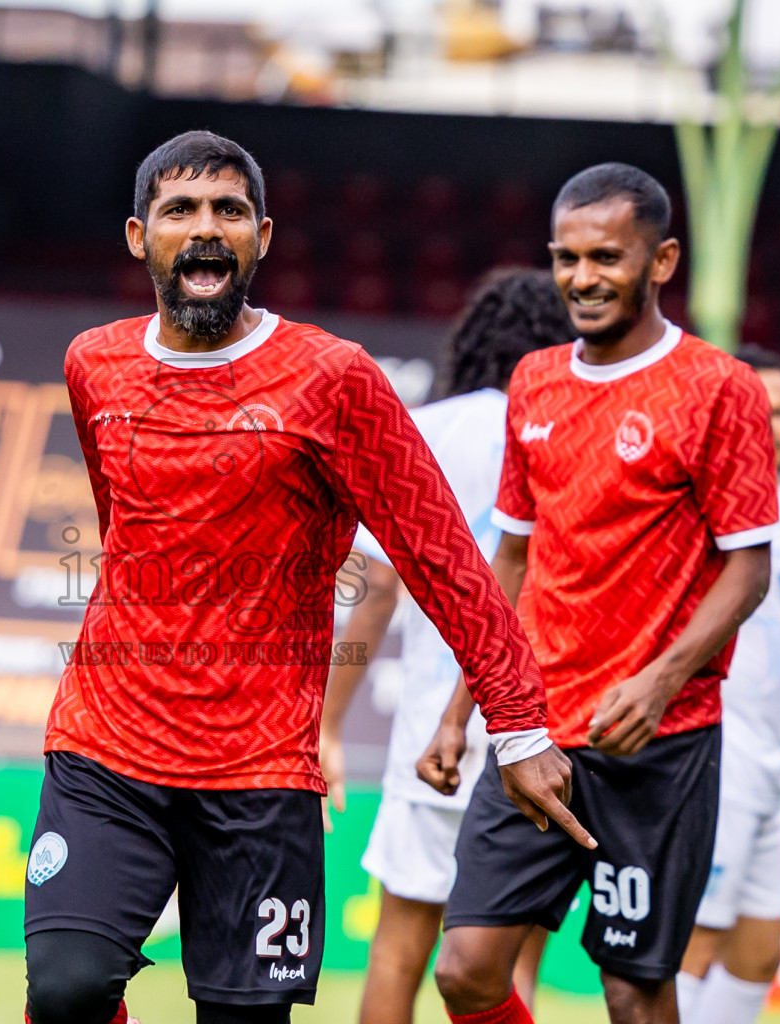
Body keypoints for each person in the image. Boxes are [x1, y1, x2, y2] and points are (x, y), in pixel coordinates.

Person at [22, 130, 591, 1024]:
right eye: (180, 211)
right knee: (65, 990)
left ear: (263, 236)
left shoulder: (333, 379)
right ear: (139, 237)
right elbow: (124, 524)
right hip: (108, 750)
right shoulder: (94, 362)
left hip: (258, 772)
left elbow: (441, 558)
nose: (205, 230)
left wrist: (517, 724)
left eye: (228, 211)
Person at [420, 162, 779, 1024]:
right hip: (535, 734)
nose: (582, 278)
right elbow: (510, 564)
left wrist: (661, 680)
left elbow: (748, 569)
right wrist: (456, 713)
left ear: (661, 261)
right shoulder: (536, 383)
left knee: (634, 988)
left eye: (606, 258)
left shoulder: (718, 388)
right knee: (466, 969)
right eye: (566, 258)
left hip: (658, 744)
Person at [318, 267, 576, 1024]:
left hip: (435, 731)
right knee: (511, 960)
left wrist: (328, 725)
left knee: (400, 946)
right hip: (542, 730)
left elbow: (370, 598)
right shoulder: (564, 432)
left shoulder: (426, 430)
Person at [675, 346, 780, 1024]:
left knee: (759, 952)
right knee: (696, 940)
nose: (775, 424)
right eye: (763, 409)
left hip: (770, 763)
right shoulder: (705, 494)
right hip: (717, 751)